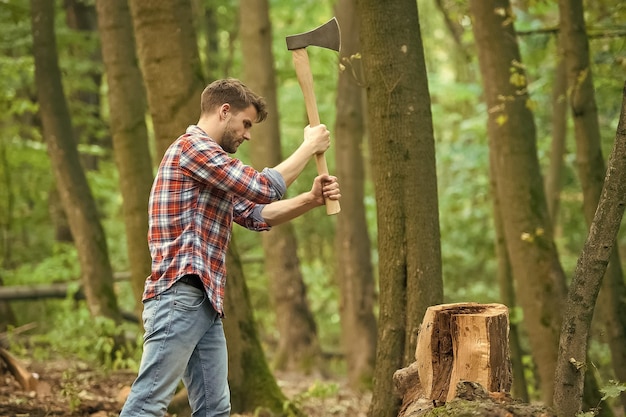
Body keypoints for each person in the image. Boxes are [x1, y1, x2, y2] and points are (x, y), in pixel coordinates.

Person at [119, 78, 341, 417]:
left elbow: (255, 214)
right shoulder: (193, 149)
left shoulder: (212, 168)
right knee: (147, 405)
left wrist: (310, 200)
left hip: (204, 304)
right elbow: (263, 186)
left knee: (215, 409)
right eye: (246, 123)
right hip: (179, 296)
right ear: (225, 111)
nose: (248, 134)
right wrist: (309, 146)